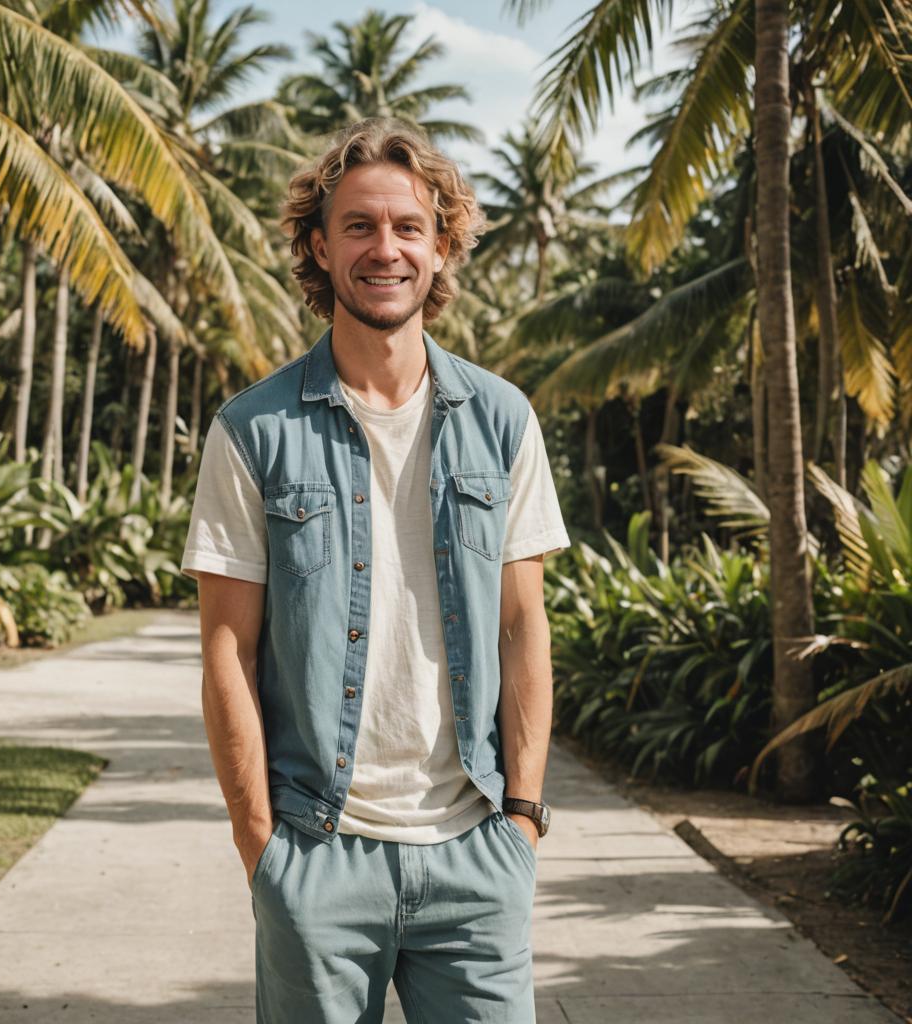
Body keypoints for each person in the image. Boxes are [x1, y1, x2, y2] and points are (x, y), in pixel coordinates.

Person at [181, 117, 570, 1023]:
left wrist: (521, 819)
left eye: (406, 227)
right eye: (358, 226)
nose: (383, 248)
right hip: (318, 855)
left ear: (441, 247)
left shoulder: (503, 420)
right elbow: (225, 651)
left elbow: (523, 629)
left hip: (478, 851)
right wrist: (261, 848)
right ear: (319, 246)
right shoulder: (253, 430)